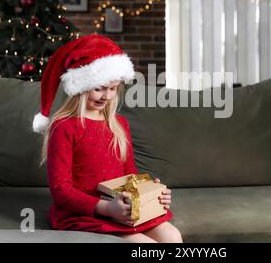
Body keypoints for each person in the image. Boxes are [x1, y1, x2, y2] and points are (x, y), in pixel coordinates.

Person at [32, 34, 183, 243]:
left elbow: (129, 174)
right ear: (81, 87)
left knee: (173, 236)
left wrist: (148, 192)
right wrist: (107, 208)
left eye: (112, 89)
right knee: (143, 243)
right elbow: (61, 190)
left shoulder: (119, 124)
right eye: (99, 88)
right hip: (85, 212)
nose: (107, 96)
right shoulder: (65, 126)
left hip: (120, 206)